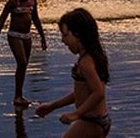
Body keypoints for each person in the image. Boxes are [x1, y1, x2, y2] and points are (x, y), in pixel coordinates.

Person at [35, 8, 110, 137]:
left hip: (91, 122)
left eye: (65, 35)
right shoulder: (92, 57)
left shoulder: (86, 63)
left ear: (78, 35)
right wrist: (54, 106)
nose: (63, 41)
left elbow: (98, 92)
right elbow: (81, 92)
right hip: (97, 119)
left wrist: (76, 114)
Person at [0, 0, 47, 107]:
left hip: (27, 36)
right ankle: (17, 96)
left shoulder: (32, 1)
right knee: (21, 62)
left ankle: (19, 95)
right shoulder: (13, 1)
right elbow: (2, 18)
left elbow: (36, 20)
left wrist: (42, 37)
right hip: (14, 35)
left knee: (24, 65)